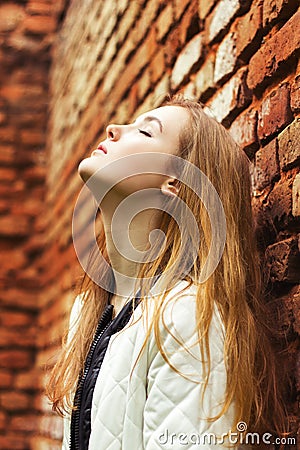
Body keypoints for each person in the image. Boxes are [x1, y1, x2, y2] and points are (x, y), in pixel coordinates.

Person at [47, 96, 288, 449]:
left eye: (145, 131)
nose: (114, 128)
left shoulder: (186, 318)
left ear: (174, 184)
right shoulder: (90, 310)